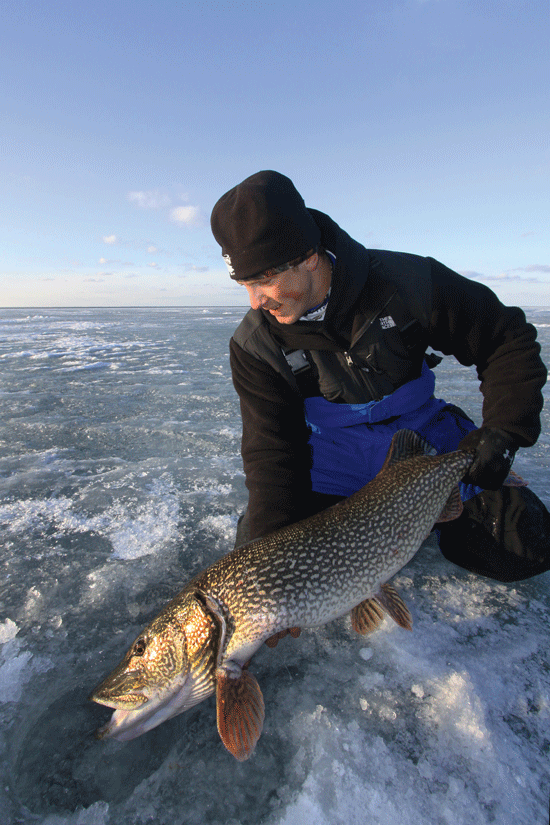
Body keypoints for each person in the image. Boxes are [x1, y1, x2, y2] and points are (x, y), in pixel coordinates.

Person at [210, 170, 549, 582]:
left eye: (263, 280)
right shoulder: (255, 345)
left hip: (423, 446)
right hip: (331, 459)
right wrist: (267, 550)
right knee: (264, 569)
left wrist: (505, 432)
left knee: (526, 545)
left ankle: (435, 522)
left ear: (307, 257)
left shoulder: (409, 284)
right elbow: (271, 451)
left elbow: (505, 340)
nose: (254, 300)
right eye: (243, 283)